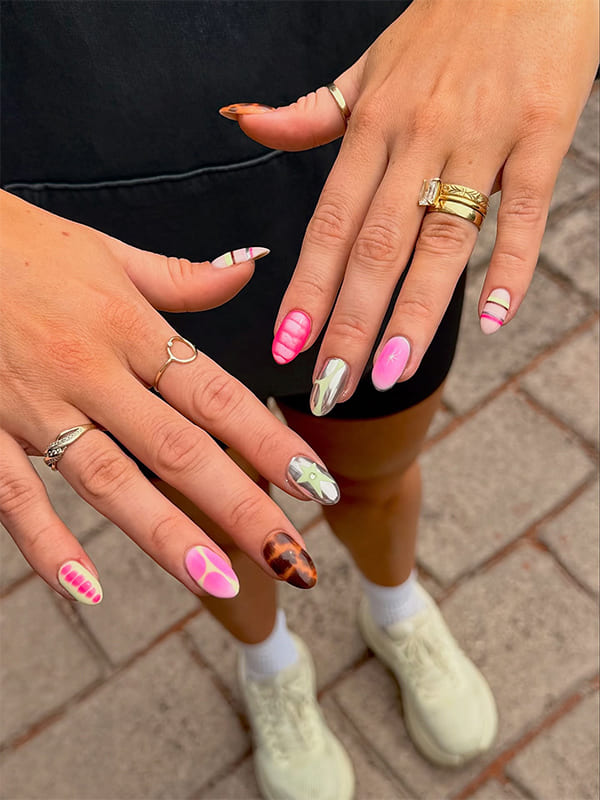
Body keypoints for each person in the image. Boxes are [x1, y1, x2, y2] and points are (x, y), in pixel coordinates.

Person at [1, 2, 597, 799]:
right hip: (68, 241)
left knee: (376, 473)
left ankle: (395, 609)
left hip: (379, 146)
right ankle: (271, 664)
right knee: (214, 515)